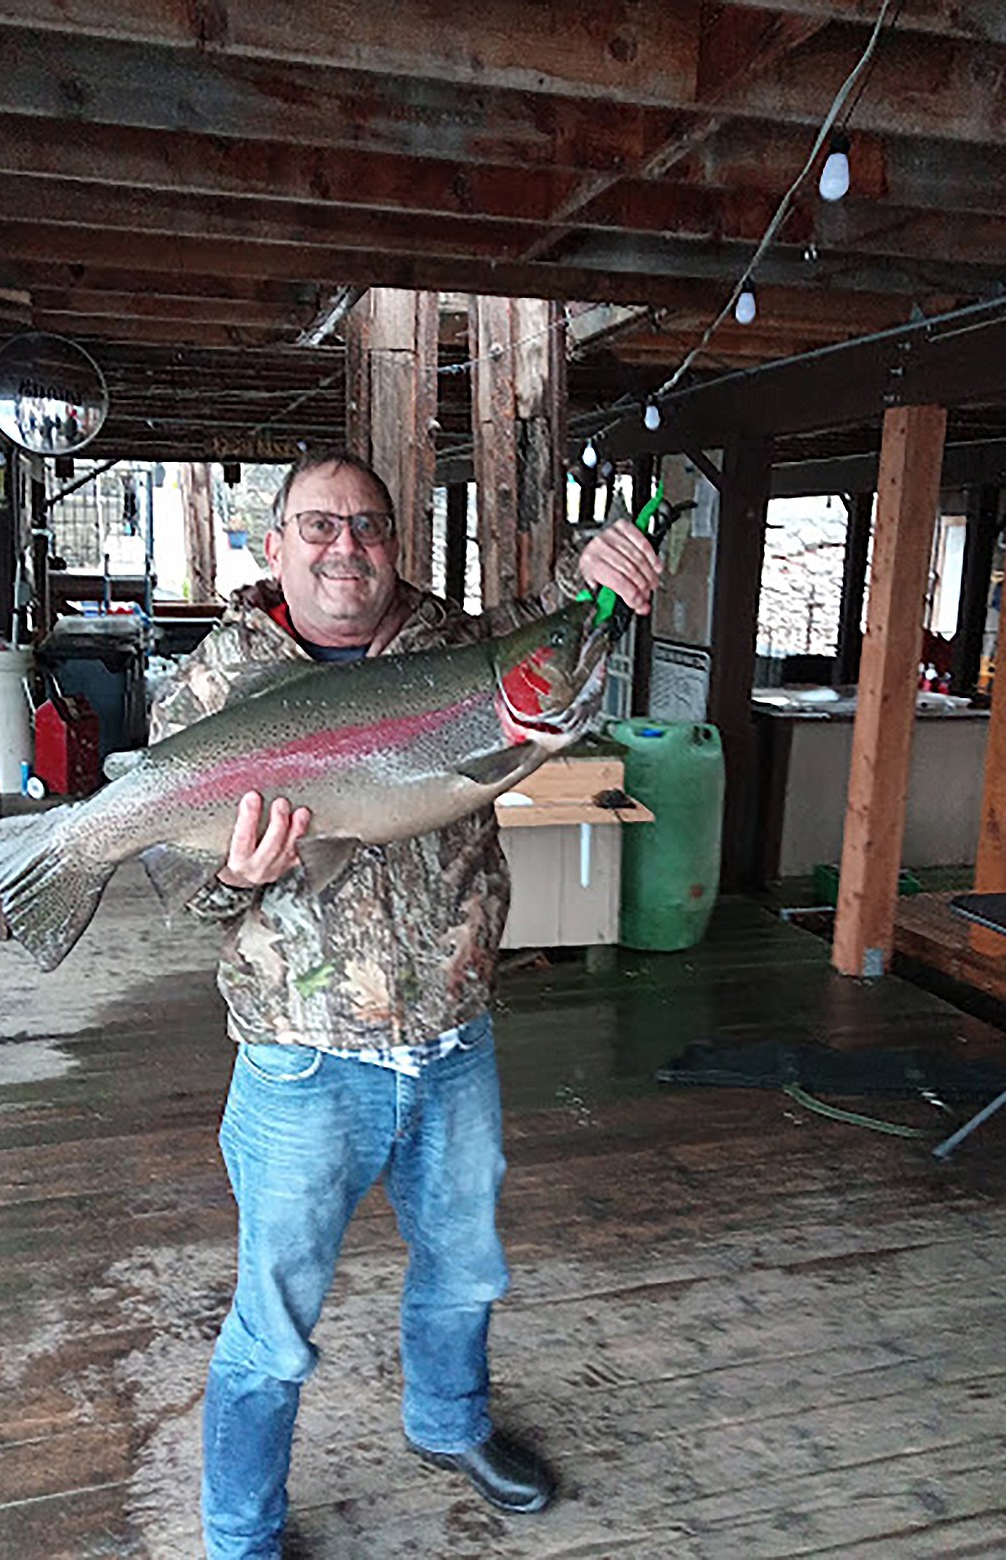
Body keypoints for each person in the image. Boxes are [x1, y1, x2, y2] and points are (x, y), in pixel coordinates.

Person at [151, 449, 662, 1560]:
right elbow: (178, 894)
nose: (347, 547)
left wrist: (598, 560)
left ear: (399, 542)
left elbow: (561, 618)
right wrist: (231, 877)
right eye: (319, 526)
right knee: (273, 1324)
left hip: (454, 1041)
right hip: (301, 1062)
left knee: (465, 1266)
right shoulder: (216, 680)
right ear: (272, 544)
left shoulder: (451, 647)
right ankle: (238, 1535)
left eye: (371, 526)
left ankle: (448, 1425)